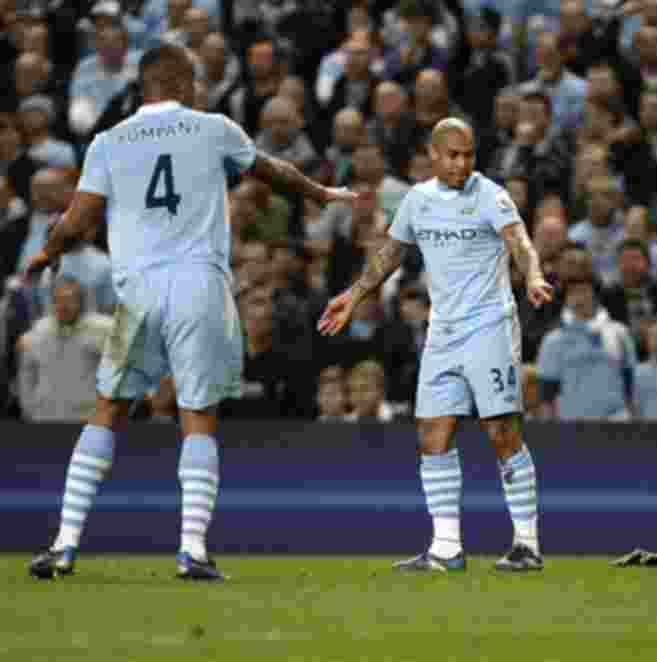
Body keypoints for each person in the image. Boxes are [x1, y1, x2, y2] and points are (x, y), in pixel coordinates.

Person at [25, 45, 357, 582]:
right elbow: (271, 171)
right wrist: (321, 191)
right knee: (196, 412)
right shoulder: (212, 128)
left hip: (138, 293)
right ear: (181, 81)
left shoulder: (109, 141)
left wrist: (48, 251)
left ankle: (63, 545)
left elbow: (77, 218)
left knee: (109, 407)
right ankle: (192, 551)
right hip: (198, 287)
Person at [319, 117, 554, 573]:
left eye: (468, 155)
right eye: (453, 155)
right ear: (434, 154)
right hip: (443, 333)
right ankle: (446, 547)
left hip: (489, 327)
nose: (462, 163)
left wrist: (535, 274)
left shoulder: (491, 194)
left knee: (501, 433)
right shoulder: (418, 201)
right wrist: (353, 295)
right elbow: (390, 253)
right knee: (432, 435)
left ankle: (527, 544)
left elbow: (519, 241)